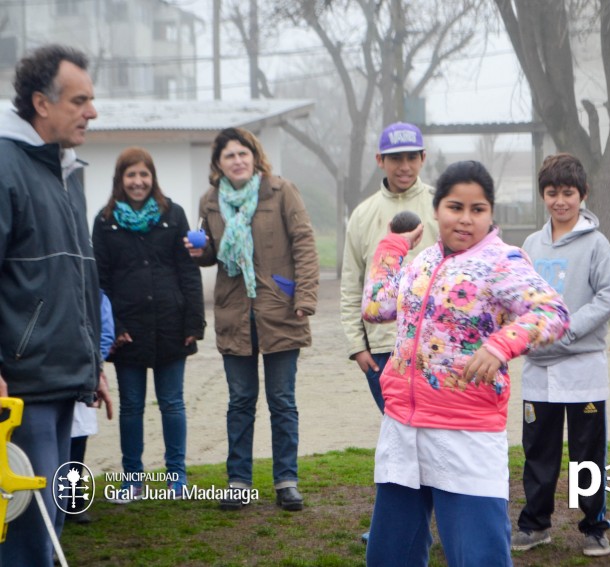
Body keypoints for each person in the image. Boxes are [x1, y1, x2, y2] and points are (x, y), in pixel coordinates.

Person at [361, 160, 570, 566]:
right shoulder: (420, 263)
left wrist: (500, 346)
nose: (466, 219)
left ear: (491, 214)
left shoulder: (502, 261)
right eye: (455, 207)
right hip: (403, 429)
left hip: (465, 437)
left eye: (478, 210)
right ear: (436, 209)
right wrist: (392, 246)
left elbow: (553, 312)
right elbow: (375, 305)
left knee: (479, 558)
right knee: (388, 558)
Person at [0, 44, 112, 567]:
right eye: (80, 100)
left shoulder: (67, 170)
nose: (92, 111)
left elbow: (79, 275)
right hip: (21, 390)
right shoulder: (5, 167)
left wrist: (94, 363)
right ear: (42, 104)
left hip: (65, 379)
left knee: (51, 524)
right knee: (27, 530)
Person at [188, 127, 319, 512]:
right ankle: (239, 482)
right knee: (240, 401)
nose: (237, 160)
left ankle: (286, 481)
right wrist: (199, 252)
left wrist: (305, 297)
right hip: (234, 312)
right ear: (219, 164)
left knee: (282, 401)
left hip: (280, 308)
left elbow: (304, 243)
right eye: (229, 155)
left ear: (255, 156)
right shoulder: (210, 201)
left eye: (243, 153)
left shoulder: (281, 192)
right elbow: (211, 252)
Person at [511, 153, 610, 557]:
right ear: (543, 195)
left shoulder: (596, 243)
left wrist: (567, 326)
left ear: (583, 194)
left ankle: (594, 526)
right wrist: (525, 331)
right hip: (539, 368)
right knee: (538, 452)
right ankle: (535, 524)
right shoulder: (531, 244)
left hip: (583, 369)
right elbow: (519, 297)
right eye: (552, 192)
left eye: (568, 193)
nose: (561, 201)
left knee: (586, 456)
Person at [93, 147, 205, 502]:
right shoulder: (105, 220)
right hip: (129, 332)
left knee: (172, 403)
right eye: (131, 175)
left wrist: (193, 321)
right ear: (120, 180)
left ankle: (176, 477)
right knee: (131, 407)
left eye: (144, 175)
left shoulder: (173, 215)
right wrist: (116, 325)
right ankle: (132, 480)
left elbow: (187, 270)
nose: (138, 182)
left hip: (171, 324)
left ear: (152, 178)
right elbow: (101, 280)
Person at [340, 122, 438, 413]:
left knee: (436, 435)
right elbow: (351, 285)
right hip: (383, 347)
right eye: (395, 158)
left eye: (411, 157)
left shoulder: (442, 206)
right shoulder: (361, 216)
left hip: (435, 342)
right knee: (397, 433)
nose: (404, 166)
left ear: (423, 157)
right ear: (380, 160)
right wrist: (357, 346)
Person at [67, 290, 115, 524]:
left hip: (82, 374)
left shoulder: (94, 293)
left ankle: (74, 502)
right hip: (49, 375)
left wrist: (93, 362)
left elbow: (105, 331)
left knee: (77, 444)